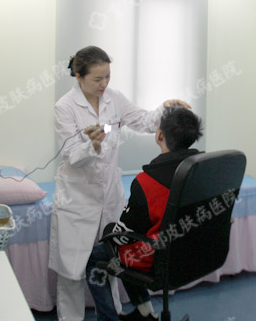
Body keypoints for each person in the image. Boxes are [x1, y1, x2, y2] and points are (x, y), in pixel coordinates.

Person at [48, 45, 190, 321]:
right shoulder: (65, 107)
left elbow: (143, 121)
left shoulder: (114, 99)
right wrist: (91, 145)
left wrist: (164, 108)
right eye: (97, 79)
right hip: (77, 200)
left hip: (109, 197)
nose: (104, 84)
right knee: (71, 272)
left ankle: (113, 314)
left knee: (112, 262)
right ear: (78, 76)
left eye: (107, 77)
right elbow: (71, 156)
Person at [85, 106, 203, 321]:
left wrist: (110, 232)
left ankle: (109, 318)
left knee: (99, 254)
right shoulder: (201, 170)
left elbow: (125, 234)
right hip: (192, 252)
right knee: (124, 247)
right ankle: (145, 312)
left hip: (159, 257)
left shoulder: (147, 182)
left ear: (159, 136)